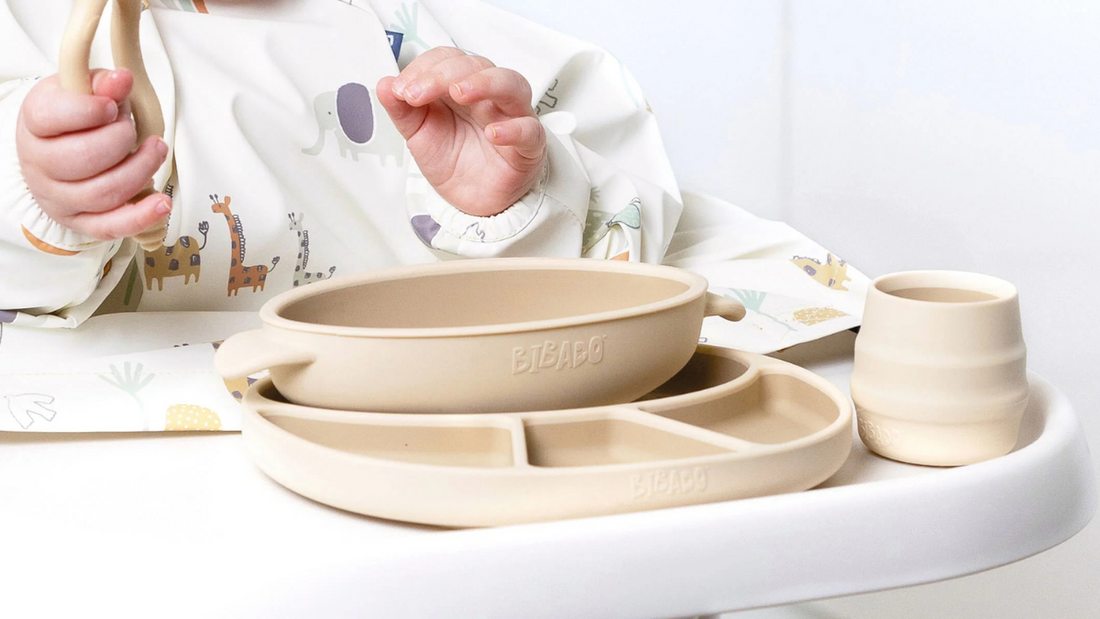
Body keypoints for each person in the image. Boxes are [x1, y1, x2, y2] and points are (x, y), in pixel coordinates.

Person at [0, 0, 682, 328]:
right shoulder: (28, 29)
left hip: (412, 423)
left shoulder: (416, 28)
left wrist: (508, 203)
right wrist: (39, 192)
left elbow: (625, 231)